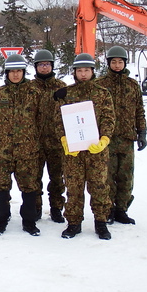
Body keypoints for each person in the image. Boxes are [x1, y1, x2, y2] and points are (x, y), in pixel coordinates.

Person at [53, 53, 115, 240]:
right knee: (73, 187)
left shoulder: (102, 93)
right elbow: (58, 120)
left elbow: (108, 118)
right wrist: (64, 139)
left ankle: (101, 222)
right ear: (74, 72)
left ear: (92, 71)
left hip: (96, 150)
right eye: (79, 70)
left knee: (99, 186)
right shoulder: (67, 93)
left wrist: (104, 139)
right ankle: (73, 222)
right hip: (73, 152)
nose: (83, 74)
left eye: (86, 70)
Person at [0, 54, 42, 236]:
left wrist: (35, 142)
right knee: (1, 186)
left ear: (24, 72)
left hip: (28, 151)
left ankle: (29, 222)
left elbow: (41, 120)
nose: (15, 75)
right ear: (7, 73)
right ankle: (0, 222)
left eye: (19, 71)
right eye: (12, 71)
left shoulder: (34, 93)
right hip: (2, 151)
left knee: (29, 187)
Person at [96, 46, 147, 225]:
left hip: (126, 138)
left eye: (120, 62)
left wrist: (142, 132)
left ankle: (121, 209)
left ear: (124, 63)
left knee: (125, 177)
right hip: (106, 139)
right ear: (109, 63)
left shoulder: (132, 85)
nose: (117, 65)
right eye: (114, 62)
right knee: (107, 177)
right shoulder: (100, 84)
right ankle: (108, 210)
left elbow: (139, 110)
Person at [30, 50, 67, 223]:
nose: (44, 67)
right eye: (40, 65)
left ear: (52, 66)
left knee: (57, 179)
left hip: (56, 142)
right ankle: (36, 208)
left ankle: (56, 208)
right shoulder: (29, 87)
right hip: (34, 142)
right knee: (34, 178)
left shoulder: (61, 86)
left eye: (47, 64)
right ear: (36, 67)